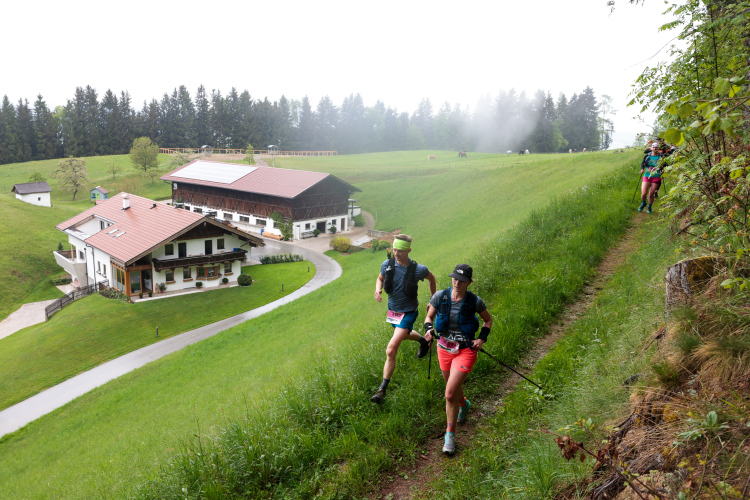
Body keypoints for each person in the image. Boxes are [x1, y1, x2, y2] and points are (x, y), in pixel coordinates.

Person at [424, 264, 492, 455]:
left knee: (449, 393)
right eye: (455, 278)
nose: (457, 283)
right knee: (453, 389)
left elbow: (488, 320)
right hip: (444, 349)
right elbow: (428, 318)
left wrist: (481, 339)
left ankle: (450, 436)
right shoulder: (440, 296)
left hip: (465, 350)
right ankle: (463, 404)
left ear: (469, 282)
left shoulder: (475, 301)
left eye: (462, 280)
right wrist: (429, 330)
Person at [371, 234, 437, 404]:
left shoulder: (418, 269)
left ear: (408, 250)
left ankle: (381, 390)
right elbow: (380, 278)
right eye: (394, 249)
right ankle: (423, 341)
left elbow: (432, 278)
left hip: (408, 313)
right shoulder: (387, 264)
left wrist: (433, 299)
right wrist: (378, 289)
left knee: (391, 350)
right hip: (393, 312)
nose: (396, 253)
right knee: (405, 335)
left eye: (400, 251)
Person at [639, 143, 664, 214]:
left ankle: (649, 206)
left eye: (656, 147)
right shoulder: (647, 156)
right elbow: (643, 163)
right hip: (647, 176)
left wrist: (663, 169)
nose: (655, 148)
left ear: (658, 148)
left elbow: (665, 164)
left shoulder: (661, 156)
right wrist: (642, 169)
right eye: (654, 147)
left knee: (651, 194)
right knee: (644, 193)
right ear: (651, 148)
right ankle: (643, 203)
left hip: (656, 176)